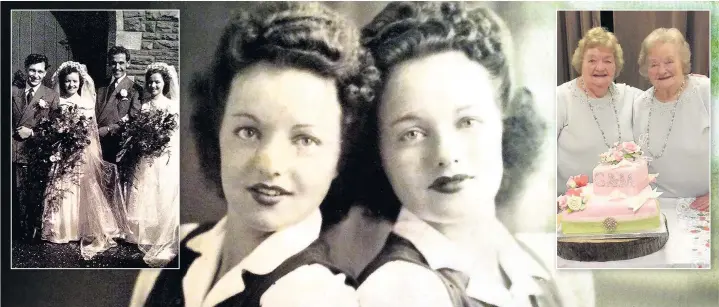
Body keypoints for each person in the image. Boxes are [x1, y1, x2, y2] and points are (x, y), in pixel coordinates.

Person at [129, 2, 379, 306]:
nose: (269, 164)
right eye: (248, 131)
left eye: (304, 139)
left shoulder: (320, 297)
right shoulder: (172, 254)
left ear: (341, 155)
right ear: (217, 129)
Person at [354, 3, 593, 307]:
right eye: (412, 134)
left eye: (467, 122)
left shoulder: (543, 266)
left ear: (505, 123)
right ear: (378, 150)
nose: (445, 154)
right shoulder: (400, 290)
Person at [43, 61, 125, 259]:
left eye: (74, 82)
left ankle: (81, 227)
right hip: (63, 150)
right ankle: (63, 228)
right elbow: (53, 126)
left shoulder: (86, 103)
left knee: (81, 186)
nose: (71, 85)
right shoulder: (58, 102)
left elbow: (90, 131)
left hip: (80, 151)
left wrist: (81, 144)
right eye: (68, 82)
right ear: (62, 83)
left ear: (80, 83)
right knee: (61, 185)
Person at [556, 27, 643, 195]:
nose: (600, 67)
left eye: (607, 60)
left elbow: (661, 98)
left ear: (616, 66)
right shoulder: (561, 97)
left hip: (620, 199)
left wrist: (688, 82)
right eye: (592, 60)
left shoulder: (629, 97)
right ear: (580, 63)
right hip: (572, 203)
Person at [632, 28, 710, 210]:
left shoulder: (705, 91)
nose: (662, 70)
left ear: (682, 62)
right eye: (653, 64)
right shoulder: (640, 104)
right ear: (646, 69)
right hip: (657, 205)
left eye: (669, 61)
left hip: (705, 204)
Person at [124, 62, 181, 267]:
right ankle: (144, 234)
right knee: (144, 192)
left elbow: (172, 134)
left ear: (164, 83)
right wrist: (143, 141)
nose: (153, 86)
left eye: (157, 82)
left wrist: (159, 142)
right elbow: (140, 129)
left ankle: (161, 233)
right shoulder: (145, 105)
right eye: (150, 82)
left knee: (161, 192)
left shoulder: (171, 105)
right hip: (146, 155)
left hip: (162, 156)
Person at [12, 54, 60, 239]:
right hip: (13, 148)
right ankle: (15, 231)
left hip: (36, 151)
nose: (35, 75)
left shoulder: (51, 95)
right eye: (32, 70)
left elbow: (56, 129)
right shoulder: (13, 91)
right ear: (26, 70)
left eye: (40, 71)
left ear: (45, 72)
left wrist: (31, 133)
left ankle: (31, 231)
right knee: (15, 192)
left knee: (33, 193)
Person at [95, 46, 143, 167]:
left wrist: (109, 129)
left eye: (121, 63)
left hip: (116, 143)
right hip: (96, 141)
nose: (117, 67)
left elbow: (133, 118)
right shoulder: (100, 86)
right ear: (109, 64)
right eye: (113, 63)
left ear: (128, 63)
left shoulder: (134, 89)